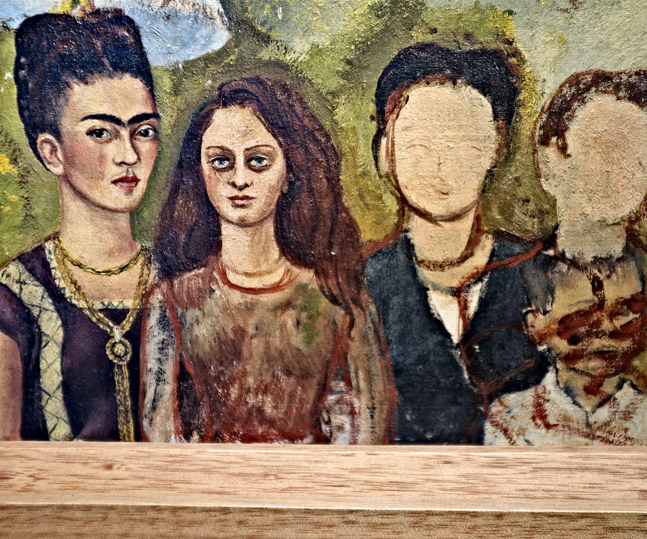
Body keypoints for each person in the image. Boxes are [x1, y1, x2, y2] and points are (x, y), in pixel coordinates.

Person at [141, 76, 393, 444]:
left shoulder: (339, 304)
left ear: (289, 171)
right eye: (221, 162)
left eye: (258, 161)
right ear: (200, 172)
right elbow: (160, 432)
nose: (239, 179)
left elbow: (368, 434)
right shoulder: (173, 300)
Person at [485, 69, 647, 446]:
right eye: (601, 148)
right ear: (550, 160)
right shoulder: (505, 278)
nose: (619, 169)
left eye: (636, 153)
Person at [366, 42, 546, 443]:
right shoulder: (358, 284)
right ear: (385, 150)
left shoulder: (539, 271)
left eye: (463, 144)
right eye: (418, 144)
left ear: (496, 145)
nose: (440, 166)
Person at [0, 9, 159, 441]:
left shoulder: (181, 280)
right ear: (52, 152)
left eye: (143, 131)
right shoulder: (13, 297)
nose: (129, 155)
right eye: (101, 133)